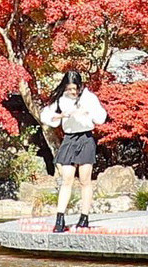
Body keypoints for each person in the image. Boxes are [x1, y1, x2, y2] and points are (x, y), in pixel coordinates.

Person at [40, 71, 108, 233]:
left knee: (85, 180)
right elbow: (46, 116)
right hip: (69, 139)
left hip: (85, 138)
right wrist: (61, 115)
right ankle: (59, 218)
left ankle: (84, 217)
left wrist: (87, 112)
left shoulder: (88, 97)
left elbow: (100, 117)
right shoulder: (61, 99)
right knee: (67, 178)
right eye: (69, 88)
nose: (72, 92)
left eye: (75, 89)